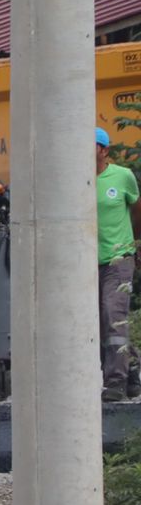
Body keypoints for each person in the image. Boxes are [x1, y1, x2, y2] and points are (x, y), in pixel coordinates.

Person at [97, 129, 141, 401]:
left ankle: (115, 382)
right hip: (86, 260)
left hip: (119, 259)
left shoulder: (122, 177)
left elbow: (137, 209)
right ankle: (132, 365)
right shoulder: (77, 180)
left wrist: (137, 243)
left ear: (103, 150)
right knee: (102, 321)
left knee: (113, 314)